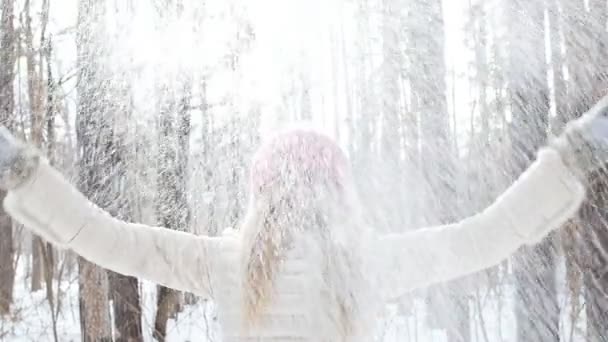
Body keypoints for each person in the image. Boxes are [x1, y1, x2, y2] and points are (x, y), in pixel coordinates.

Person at [1, 95, 608, 341]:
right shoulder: (369, 265)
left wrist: (22, 174)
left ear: (260, 194)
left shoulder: (226, 263)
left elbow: (107, 240)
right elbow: (490, 235)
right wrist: (574, 156)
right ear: (340, 195)